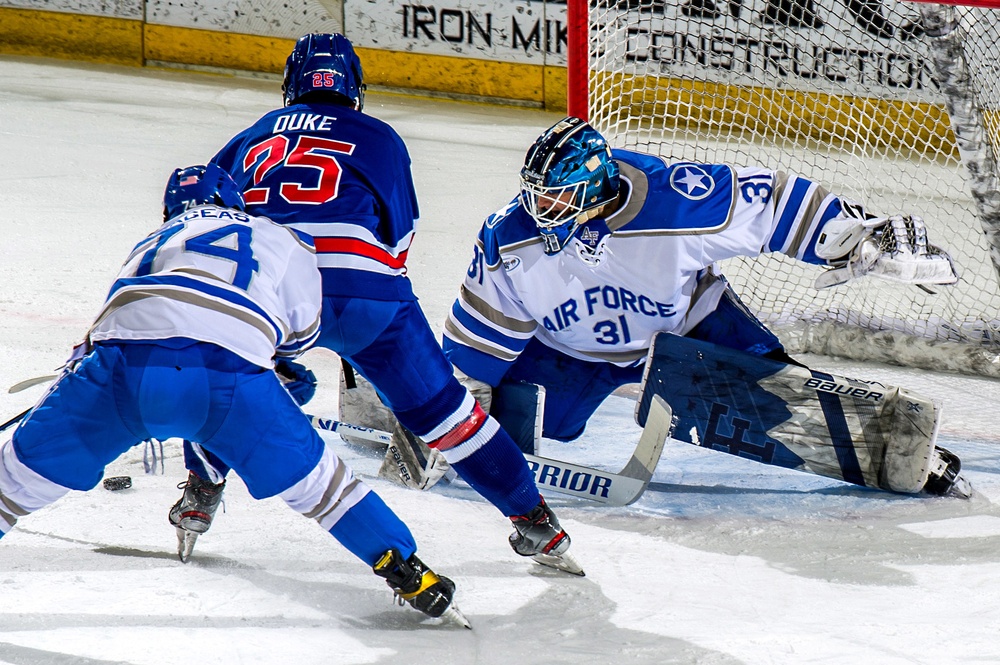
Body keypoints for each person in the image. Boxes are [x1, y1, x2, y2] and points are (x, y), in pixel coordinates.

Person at [173, 33, 576, 572]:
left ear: (289, 85)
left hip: (273, 289)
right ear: (355, 87)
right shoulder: (380, 137)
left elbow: (207, 217)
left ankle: (201, 493)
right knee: (448, 415)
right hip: (367, 291)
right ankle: (537, 525)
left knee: (236, 386)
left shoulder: (249, 136)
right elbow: (398, 234)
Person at [0, 164, 469, 627]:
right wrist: (282, 369)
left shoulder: (153, 240)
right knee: (324, 490)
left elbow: (108, 324)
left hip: (121, 372)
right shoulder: (280, 236)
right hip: (229, 380)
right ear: (234, 200)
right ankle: (407, 571)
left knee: (11, 483)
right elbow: (301, 332)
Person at [439, 115, 969, 498]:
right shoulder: (508, 238)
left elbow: (778, 204)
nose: (541, 208)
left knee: (780, 400)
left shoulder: (677, 199)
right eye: (536, 193)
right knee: (521, 423)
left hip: (686, 324)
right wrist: (449, 408)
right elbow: (479, 335)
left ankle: (899, 451)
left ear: (596, 187)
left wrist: (860, 237)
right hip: (567, 348)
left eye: (558, 195)